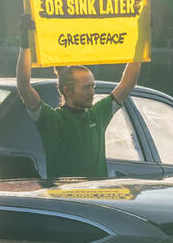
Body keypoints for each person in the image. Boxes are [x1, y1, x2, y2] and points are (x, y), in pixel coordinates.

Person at [16, 13, 142, 179]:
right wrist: (25, 45)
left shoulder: (98, 115)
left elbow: (128, 83)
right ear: (67, 90)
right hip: (67, 203)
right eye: (86, 88)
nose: (92, 92)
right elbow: (24, 88)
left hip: (96, 202)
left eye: (93, 87)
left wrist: (141, 37)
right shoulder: (52, 120)